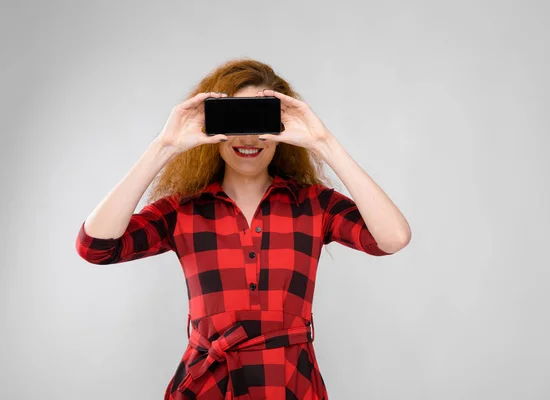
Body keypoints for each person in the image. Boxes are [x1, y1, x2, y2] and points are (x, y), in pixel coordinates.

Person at [75, 58, 411, 400]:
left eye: (261, 121)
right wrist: (165, 145)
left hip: (291, 383)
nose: (249, 137)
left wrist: (322, 141)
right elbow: (95, 247)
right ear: (212, 127)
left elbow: (393, 238)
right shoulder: (182, 210)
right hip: (208, 385)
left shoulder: (313, 204)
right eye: (236, 121)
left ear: (282, 130)